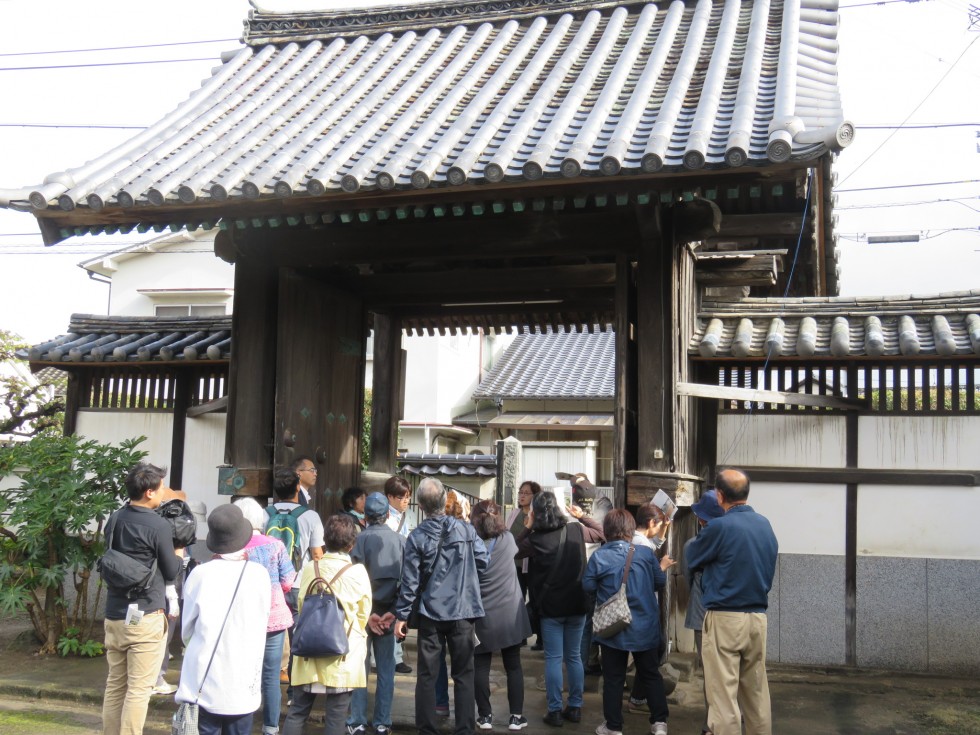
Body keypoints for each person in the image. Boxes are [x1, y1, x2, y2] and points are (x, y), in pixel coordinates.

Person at [685, 469, 778, 735]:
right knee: (756, 693)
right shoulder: (764, 524)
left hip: (725, 618)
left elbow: (692, 556)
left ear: (720, 495)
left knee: (723, 697)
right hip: (758, 617)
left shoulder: (718, 527)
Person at [393, 477, 489, 735]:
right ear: (444, 499)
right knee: (464, 674)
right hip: (463, 610)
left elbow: (410, 581)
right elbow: (483, 560)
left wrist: (401, 616)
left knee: (427, 675)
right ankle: (465, 729)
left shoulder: (417, 537)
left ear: (421, 506)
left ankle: (426, 729)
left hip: (430, 613)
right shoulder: (465, 530)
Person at [101, 462, 183, 735]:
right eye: (161, 487)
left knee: (116, 684)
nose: (164, 492)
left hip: (114, 613)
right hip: (145, 614)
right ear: (149, 492)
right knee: (138, 689)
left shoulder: (115, 518)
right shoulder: (158, 525)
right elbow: (171, 571)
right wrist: (179, 553)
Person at [176, 503, 271, 735]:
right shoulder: (259, 574)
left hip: (203, 679)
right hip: (243, 678)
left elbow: (186, 630)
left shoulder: (200, 574)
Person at [516, 490, 604, 727]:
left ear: (536, 513)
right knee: (574, 657)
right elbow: (601, 534)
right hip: (577, 604)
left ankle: (554, 711)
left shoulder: (535, 540)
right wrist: (582, 515)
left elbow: (512, 548)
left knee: (554, 658)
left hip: (551, 608)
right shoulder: (574, 530)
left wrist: (527, 526)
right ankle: (575, 708)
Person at [583, 509, 675, 735]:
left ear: (607, 530)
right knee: (651, 673)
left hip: (613, 625)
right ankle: (659, 723)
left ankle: (614, 726)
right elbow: (659, 581)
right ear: (629, 529)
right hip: (644, 624)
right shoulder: (645, 554)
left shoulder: (600, 556)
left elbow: (587, 587)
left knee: (613, 678)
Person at [283, 514, 372, 735]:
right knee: (337, 716)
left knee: (298, 711)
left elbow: (302, 605)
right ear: (352, 544)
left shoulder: (310, 569)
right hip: (343, 653)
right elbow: (363, 615)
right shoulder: (358, 573)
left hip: (308, 650)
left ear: (325, 540)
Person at [235, 497, 296, 735]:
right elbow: (288, 581)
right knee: (271, 676)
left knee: (243, 671)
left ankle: (241, 723)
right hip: (274, 617)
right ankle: (271, 727)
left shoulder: (234, 548)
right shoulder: (276, 545)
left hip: (243, 618)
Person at [470, 500, 532, 732]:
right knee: (513, 666)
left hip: (481, 614)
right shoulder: (506, 541)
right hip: (509, 614)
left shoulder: (470, 544)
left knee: (481, 665)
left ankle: (485, 716)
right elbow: (518, 542)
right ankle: (516, 716)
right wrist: (528, 525)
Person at [347, 492, 406, 735]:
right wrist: (393, 612)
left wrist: (368, 613)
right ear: (386, 515)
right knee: (386, 669)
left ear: (365, 516)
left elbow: (352, 582)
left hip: (364, 615)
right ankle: (382, 722)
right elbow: (408, 582)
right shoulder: (401, 541)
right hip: (389, 613)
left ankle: (357, 720)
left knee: (359, 667)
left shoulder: (358, 541)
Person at [268, 467, 324, 686]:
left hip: (271, 584)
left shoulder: (266, 514)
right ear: (298, 487)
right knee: (297, 635)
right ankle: (295, 688)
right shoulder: (310, 516)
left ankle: (271, 682)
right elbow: (317, 553)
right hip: (299, 583)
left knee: (274, 636)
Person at [680, 490, 726, 735]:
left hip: (702, 613)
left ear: (701, 519)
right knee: (731, 669)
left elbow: (688, 578)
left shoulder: (692, 545)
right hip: (731, 613)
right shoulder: (732, 541)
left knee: (710, 673)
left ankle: (712, 724)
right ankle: (732, 714)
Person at [383, 475, 414, 674]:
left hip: (404, 569)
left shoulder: (407, 516)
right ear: (390, 497)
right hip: (387, 569)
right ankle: (390, 657)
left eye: (408, 497)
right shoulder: (383, 516)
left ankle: (396, 655)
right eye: (402, 497)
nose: (406, 501)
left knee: (399, 614)